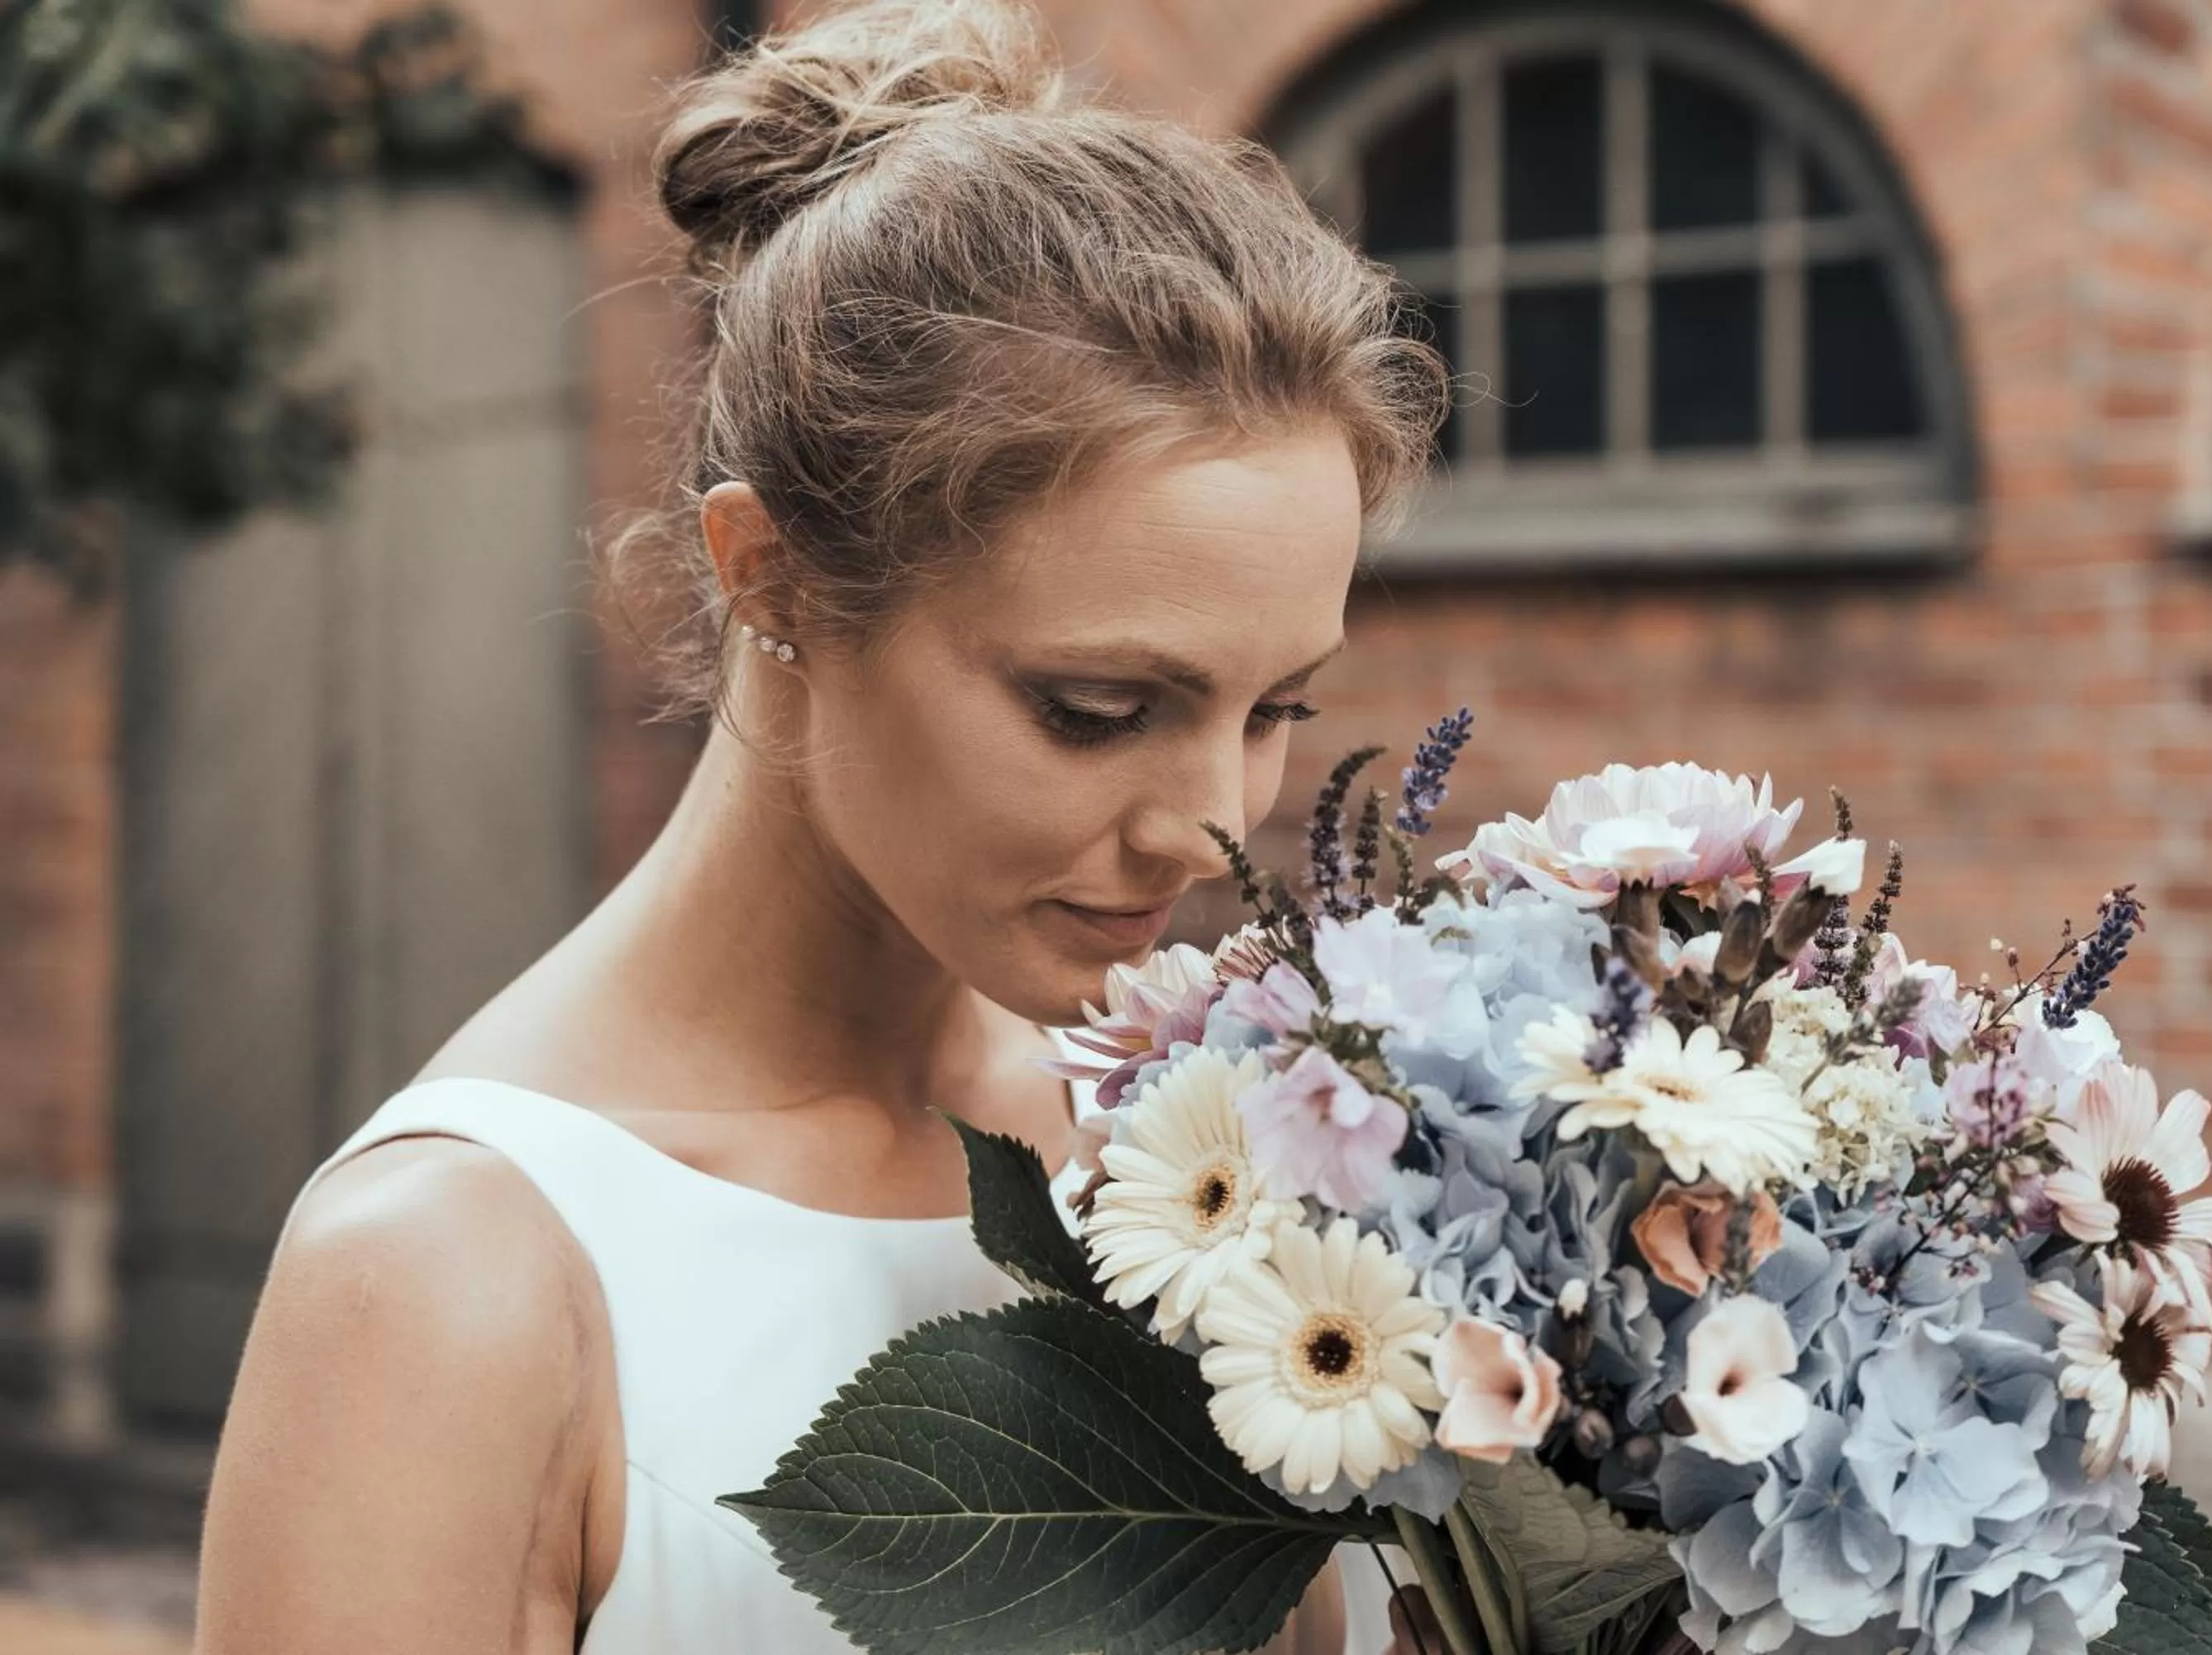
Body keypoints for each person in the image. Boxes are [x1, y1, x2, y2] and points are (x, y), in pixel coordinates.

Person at [193, 1, 1446, 1651]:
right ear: (768, 575)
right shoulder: (451, 1288)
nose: (1213, 828)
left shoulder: (1199, 1171)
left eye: (1277, 709)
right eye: (1097, 709)